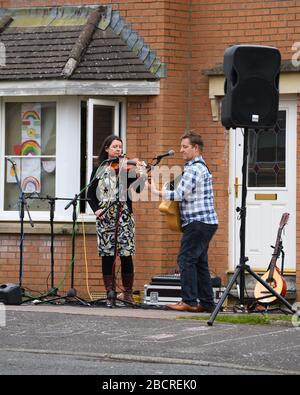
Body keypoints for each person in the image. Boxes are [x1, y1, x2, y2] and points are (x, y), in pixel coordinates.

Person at [148, 131, 218, 312]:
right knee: (199, 262)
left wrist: (156, 192)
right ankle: (207, 303)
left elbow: (179, 194)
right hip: (205, 222)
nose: (181, 150)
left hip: (198, 222)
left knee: (185, 259)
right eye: (181, 147)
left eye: (185, 147)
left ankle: (189, 301)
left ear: (195, 148)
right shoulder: (197, 167)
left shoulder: (194, 168)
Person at [87, 135, 145, 307]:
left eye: (120, 147)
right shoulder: (99, 168)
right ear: (107, 149)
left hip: (124, 215)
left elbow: (139, 188)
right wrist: (97, 210)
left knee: (126, 254)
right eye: (115, 146)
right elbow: (89, 194)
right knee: (107, 255)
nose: (119, 149)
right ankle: (110, 293)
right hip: (105, 217)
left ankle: (127, 293)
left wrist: (141, 174)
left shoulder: (126, 168)